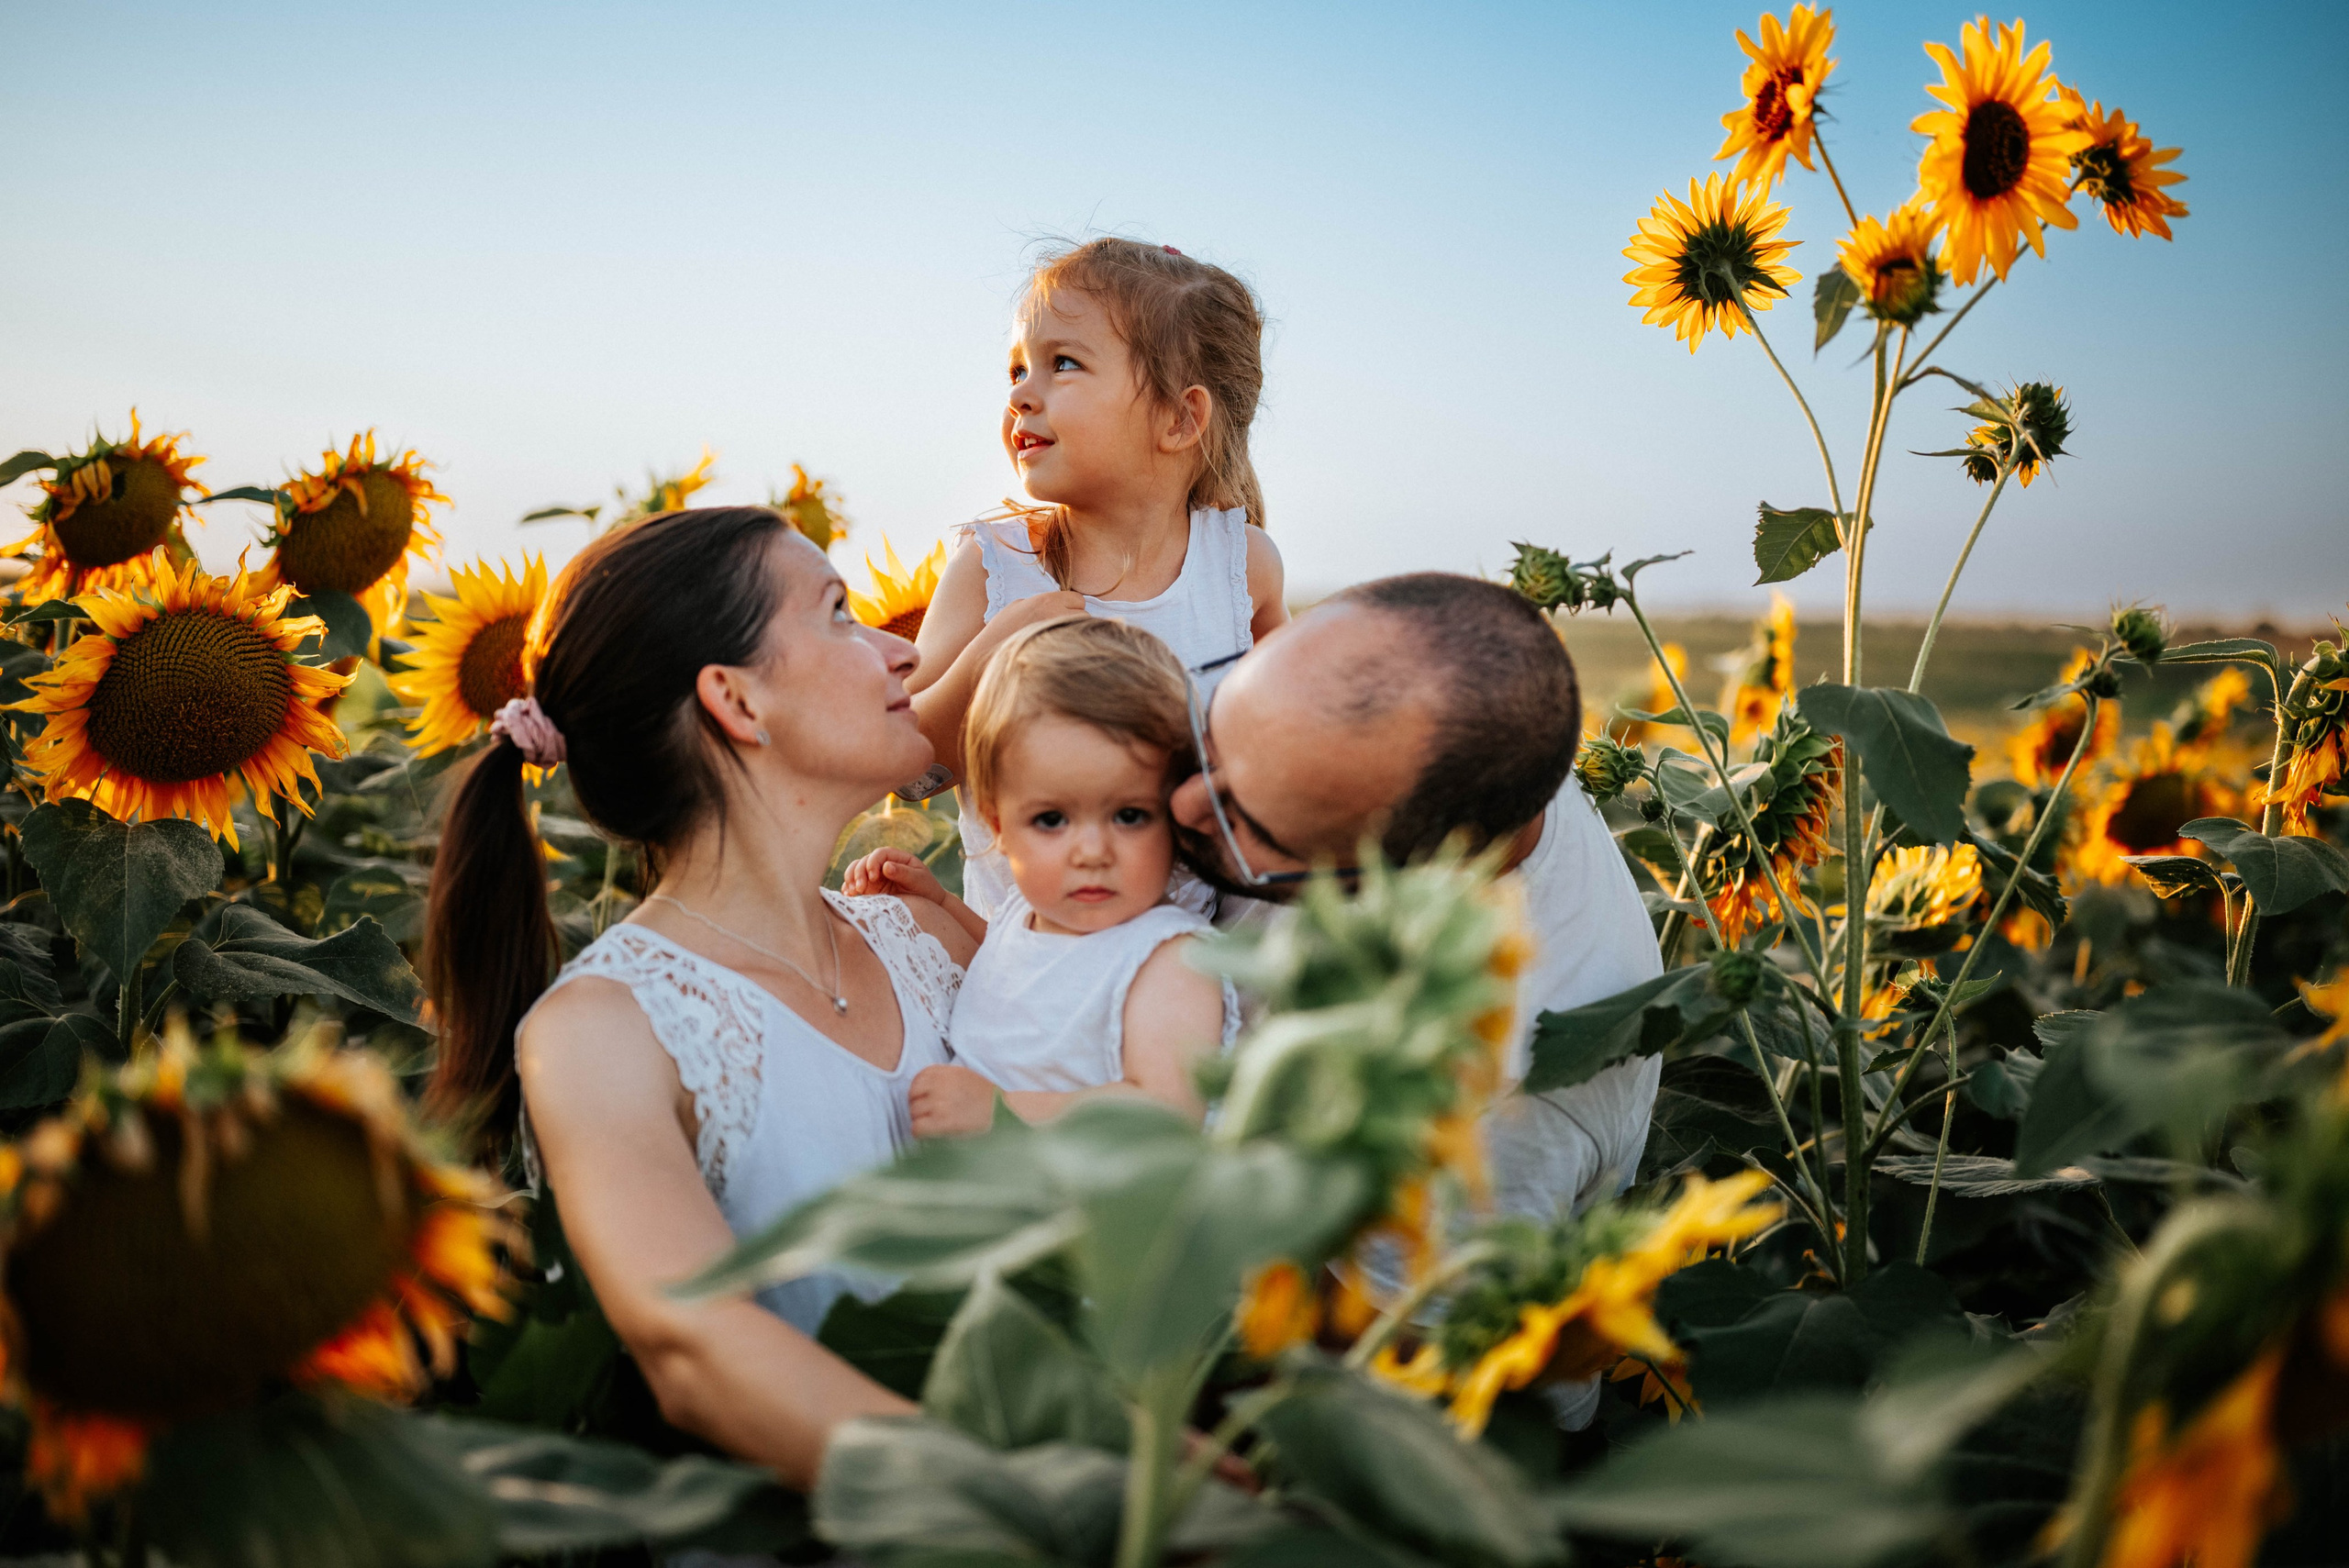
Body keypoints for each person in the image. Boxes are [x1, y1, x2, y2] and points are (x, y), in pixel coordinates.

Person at [424, 506, 979, 1490]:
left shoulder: (928, 940)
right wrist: (1036, 1493)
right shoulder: (605, 1027)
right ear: (735, 699)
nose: (902, 651)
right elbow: (697, 1350)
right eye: (840, 613)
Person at [1169, 573, 1664, 1236]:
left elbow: (1349, 1300)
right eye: (1215, 721)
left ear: (1423, 876)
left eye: (1244, 822)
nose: (1183, 804)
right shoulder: (1453, 703)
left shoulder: (1496, 1106)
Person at [906, 238, 1290, 920]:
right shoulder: (994, 570)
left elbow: (1290, 741)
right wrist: (987, 660)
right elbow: (908, 772)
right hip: (1028, 957)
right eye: (1017, 369)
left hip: (1200, 950)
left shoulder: (1240, 566)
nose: (1020, 394)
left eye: (1062, 363)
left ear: (1179, 418)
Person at [844, 617, 1235, 1132]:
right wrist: (939, 903)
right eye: (1052, 820)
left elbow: (1167, 1111)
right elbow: (1014, 970)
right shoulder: (1027, 913)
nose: (1091, 853)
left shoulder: (1171, 958)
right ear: (999, 826)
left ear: (1177, 817)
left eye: (1129, 815)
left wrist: (1003, 1110)